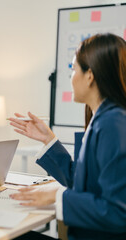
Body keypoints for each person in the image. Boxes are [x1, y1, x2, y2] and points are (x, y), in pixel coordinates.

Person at [9, 33, 126, 239]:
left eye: (73, 69)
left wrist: (56, 196)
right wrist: (49, 140)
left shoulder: (112, 124)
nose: (71, 77)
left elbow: (118, 212)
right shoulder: (104, 119)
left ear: (90, 75)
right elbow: (82, 182)